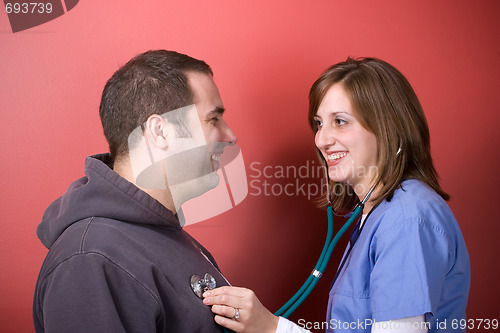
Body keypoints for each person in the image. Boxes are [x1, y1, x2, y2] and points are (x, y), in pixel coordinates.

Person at [203, 57, 470, 333]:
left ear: (389, 128)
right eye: (319, 123)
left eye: (340, 121)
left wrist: (272, 328)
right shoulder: (378, 214)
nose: (321, 139)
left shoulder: (406, 218)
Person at [33, 50, 237, 332]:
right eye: (213, 119)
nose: (230, 136)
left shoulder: (164, 236)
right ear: (160, 131)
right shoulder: (90, 261)